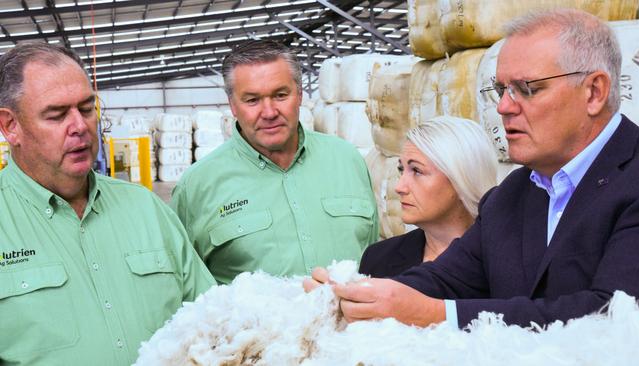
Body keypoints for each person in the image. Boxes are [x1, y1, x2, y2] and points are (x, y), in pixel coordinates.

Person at [306, 8, 639, 328]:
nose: (503, 106)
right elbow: (446, 278)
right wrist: (354, 293)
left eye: (526, 89)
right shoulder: (513, 194)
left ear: (593, 92)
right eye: (501, 89)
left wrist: (436, 314)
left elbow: (615, 313)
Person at [0, 43, 215, 365]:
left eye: (87, 109)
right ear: (10, 126)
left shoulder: (146, 207)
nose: (81, 126)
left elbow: (213, 315)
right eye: (57, 115)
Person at [171, 40, 379, 284]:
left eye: (280, 95)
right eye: (252, 100)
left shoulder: (347, 160)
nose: (269, 112)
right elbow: (185, 283)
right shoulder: (197, 186)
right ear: (232, 106)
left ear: (299, 95)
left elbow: (374, 254)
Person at [359, 116, 497, 278]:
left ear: (462, 179)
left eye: (417, 171)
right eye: (401, 170)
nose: (399, 188)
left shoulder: (504, 264)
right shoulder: (379, 259)